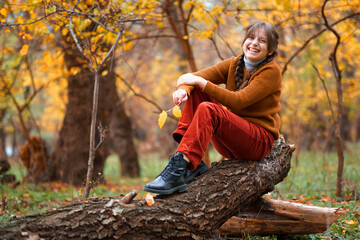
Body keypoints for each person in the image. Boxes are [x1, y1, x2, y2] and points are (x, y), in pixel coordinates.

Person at [144, 21, 281, 195]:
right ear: (244, 41)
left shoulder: (271, 71)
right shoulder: (234, 64)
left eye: (262, 41)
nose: (254, 43)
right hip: (232, 140)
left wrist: (200, 82)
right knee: (197, 92)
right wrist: (183, 91)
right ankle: (188, 164)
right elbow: (192, 78)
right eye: (251, 37)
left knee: (208, 107)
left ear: (270, 50)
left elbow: (239, 101)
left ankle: (178, 168)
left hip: (257, 142)